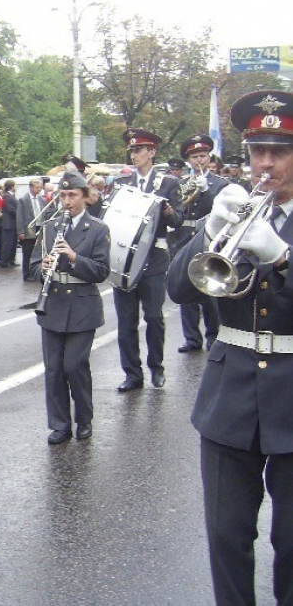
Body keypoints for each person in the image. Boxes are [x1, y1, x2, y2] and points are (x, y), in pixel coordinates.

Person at [167, 89, 293, 605]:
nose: (265, 163)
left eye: (280, 150)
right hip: (229, 390)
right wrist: (209, 231)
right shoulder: (235, 209)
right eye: (256, 150)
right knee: (225, 537)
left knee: (291, 543)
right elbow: (177, 288)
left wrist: (282, 257)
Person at [30, 171, 110, 444]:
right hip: (53, 304)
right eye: (63, 195)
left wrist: (74, 257)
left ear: (85, 197)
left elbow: (101, 271)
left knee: (74, 365)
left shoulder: (98, 229)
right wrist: (41, 267)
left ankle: (84, 418)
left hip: (82, 305)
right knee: (53, 369)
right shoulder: (50, 226)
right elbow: (31, 266)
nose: (67, 201)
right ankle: (60, 424)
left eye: (73, 195)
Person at [112, 128, 183, 391]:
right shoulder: (121, 184)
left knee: (154, 317)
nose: (134, 155)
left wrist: (167, 211)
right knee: (126, 321)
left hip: (153, 257)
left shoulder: (168, 183)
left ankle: (157, 367)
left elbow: (178, 219)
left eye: (139, 150)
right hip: (124, 260)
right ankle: (132, 373)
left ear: (152, 152)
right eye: (131, 150)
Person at [169, 134, 229, 353]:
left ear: (209, 157)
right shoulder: (182, 184)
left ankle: (213, 335)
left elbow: (220, 212)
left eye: (202, 156)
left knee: (210, 292)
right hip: (185, 237)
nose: (199, 161)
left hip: (208, 236)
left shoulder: (220, 184)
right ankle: (191, 338)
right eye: (194, 157)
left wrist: (205, 191)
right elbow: (177, 211)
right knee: (186, 288)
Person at [17, 177, 47, 281]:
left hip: (39, 227)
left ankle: (36, 272)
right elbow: (19, 216)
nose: (39, 189)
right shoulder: (23, 200)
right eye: (37, 187)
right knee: (27, 252)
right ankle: (27, 273)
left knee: (38, 251)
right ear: (31, 187)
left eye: (40, 187)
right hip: (28, 228)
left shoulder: (41, 199)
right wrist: (20, 231)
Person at [0, 178, 18, 267]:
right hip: (8, 223)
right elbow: (10, 209)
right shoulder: (6, 196)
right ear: (11, 186)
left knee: (13, 243)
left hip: (13, 223)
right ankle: (4, 261)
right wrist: (19, 214)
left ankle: (11, 260)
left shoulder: (12, 196)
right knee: (7, 243)